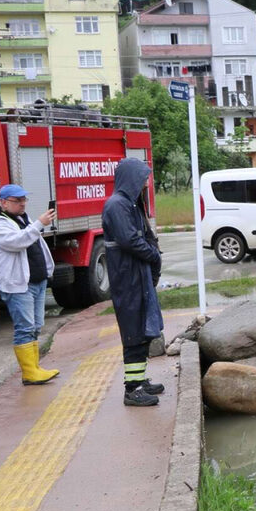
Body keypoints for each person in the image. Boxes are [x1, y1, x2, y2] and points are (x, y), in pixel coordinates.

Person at [102, 158, 167, 406]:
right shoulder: (117, 205)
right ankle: (133, 389)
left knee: (143, 331)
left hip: (136, 275)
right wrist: (152, 256)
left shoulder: (129, 203)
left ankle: (139, 379)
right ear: (130, 178)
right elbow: (130, 240)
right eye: (142, 179)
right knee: (134, 333)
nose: (145, 183)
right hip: (128, 278)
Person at [0, 184, 60, 385]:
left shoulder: (23, 219)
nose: (22, 203)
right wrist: (39, 224)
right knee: (25, 328)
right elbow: (17, 242)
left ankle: (34, 369)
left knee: (35, 327)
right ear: (4, 202)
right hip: (18, 284)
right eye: (17, 200)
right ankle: (29, 373)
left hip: (36, 280)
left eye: (24, 199)